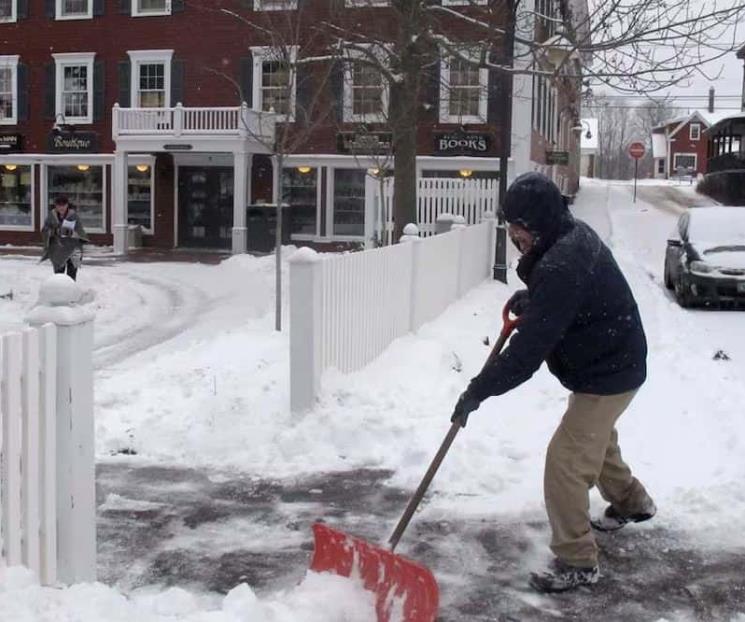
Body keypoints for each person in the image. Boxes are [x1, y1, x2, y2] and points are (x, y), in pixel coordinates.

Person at [452, 172, 655, 593]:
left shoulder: (564, 262)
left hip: (609, 371)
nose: (514, 236)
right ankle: (633, 503)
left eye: (519, 227)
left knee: (566, 461)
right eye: (510, 226)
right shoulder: (569, 237)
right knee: (596, 441)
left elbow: (527, 354)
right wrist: (537, 299)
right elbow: (571, 296)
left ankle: (577, 560)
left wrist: (478, 389)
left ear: (540, 224)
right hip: (612, 361)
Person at [41, 196, 88, 281]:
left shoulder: (74, 216)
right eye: (59, 205)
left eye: (64, 205)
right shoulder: (51, 216)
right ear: (56, 206)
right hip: (58, 249)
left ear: (67, 205)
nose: (61, 207)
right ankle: (59, 292)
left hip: (73, 249)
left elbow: (81, 233)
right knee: (58, 276)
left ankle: (71, 292)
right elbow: (44, 230)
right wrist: (55, 231)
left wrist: (74, 234)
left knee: (72, 276)